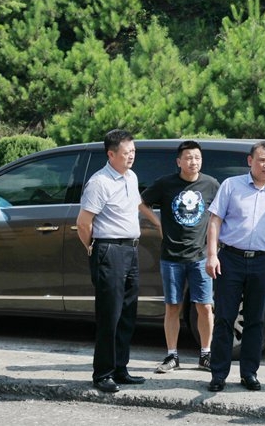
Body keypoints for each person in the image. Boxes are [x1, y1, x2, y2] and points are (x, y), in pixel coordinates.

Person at [205, 141, 265, 392]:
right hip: (230, 259)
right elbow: (215, 221)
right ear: (250, 161)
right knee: (225, 317)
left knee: (256, 319)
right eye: (262, 160)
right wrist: (212, 255)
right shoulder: (231, 186)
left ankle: (249, 373)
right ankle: (218, 373)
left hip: (262, 262)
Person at [139, 140, 220, 374]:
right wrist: (158, 223)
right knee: (173, 306)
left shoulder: (211, 184)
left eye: (197, 158)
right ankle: (172, 355)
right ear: (179, 161)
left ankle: (206, 354)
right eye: (188, 158)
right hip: (171, 256)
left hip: (200, 256)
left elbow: (220, 213)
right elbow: (141, 202)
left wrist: (214, 246)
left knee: (205, 306)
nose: (193, 162)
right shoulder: (166, 184)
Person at [76, 129, 145, 393]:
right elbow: (84, 223)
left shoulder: (132, 176)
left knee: (127, 313)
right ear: (111, 154)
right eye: (126, 153)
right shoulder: (99, 182)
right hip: (109, 250)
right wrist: (93, 248)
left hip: (131, 250)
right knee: (110, 315)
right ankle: (103, 373)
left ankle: (120, 368)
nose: (131, 156)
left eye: (133, 151)